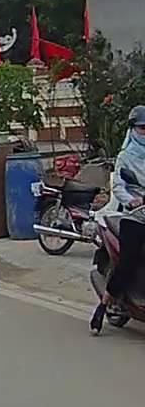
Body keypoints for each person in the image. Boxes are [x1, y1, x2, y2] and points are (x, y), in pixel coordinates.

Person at [91, 105, 145, 334]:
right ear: (133, 129)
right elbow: (119, 186)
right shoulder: (126, 157)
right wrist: (131, 200)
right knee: (128, 262)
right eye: (143, 128)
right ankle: (103, 305)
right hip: (135, 216)